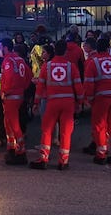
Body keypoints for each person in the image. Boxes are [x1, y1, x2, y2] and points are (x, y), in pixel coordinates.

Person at [30, 40, 83, 170]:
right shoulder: (71, 67)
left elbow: (40, 87)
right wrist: (80, 103)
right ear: (65, 51)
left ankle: (43, 159)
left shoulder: (46, 66)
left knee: (47, 130)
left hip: (52, 102)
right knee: (65, 132)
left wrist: (36, 103)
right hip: (68, 103)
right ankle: (63, 161)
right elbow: (78, 87)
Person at [85, 38, 111, 165]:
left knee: (99, 126)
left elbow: (88, 84)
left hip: (101, 98)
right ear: (108, 48)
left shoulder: (93, 63)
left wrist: (90, 99)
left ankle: (101, 154)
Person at [0, 38, 32, 165]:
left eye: (0, 47)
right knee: (9, 124)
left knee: (13, 125)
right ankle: (11, 148)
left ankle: (20, 152)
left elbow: (9, 77)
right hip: (18, 96)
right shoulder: (19, 60)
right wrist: (22, 88)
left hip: (10, 97)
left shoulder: (8, 60)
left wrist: (5, 92)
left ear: (6, 48)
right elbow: (28, 76)